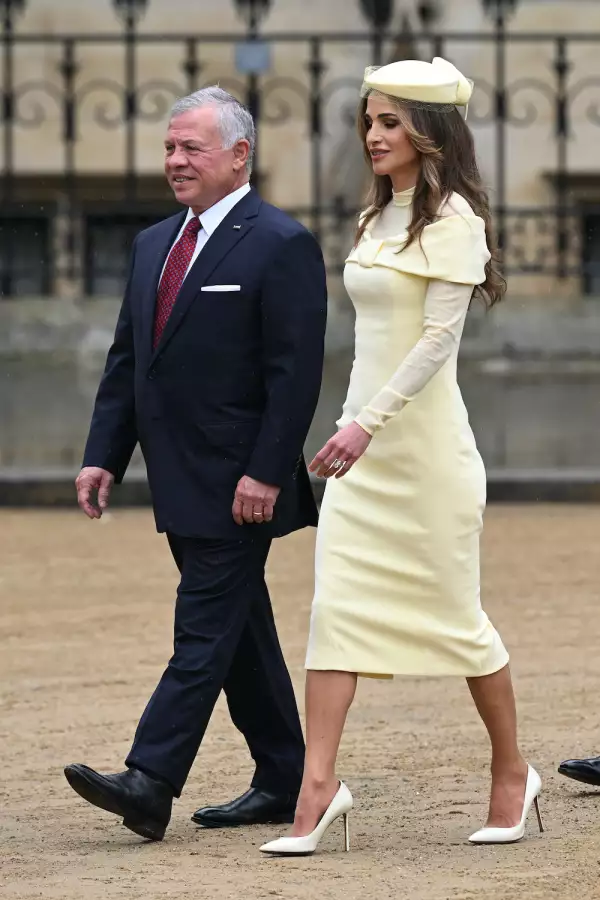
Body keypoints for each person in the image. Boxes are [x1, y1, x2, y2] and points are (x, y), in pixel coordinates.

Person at [260, 57, 543, 857]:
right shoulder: (371, 220)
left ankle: (512, 774)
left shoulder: (455, 219)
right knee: (334, 611)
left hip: (425, 458)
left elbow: (435, 342)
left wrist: (367, 424)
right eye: (370, 120)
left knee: (461, 622)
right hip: (363, 453)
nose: (373, 135)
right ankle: (318, 791)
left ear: (429, 131)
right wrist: (351, 421)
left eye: (390, 122)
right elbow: (367, 345)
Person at [64, 86, 327, 842]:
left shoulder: (280, 242)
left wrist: (268, 471)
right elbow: (130, 362)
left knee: (204, 628)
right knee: (240, 628)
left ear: (240, 155)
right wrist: (102, 456)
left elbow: (294, 372)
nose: (175, 161)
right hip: (177, 478)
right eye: (171, 148)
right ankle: (283, 774)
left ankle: (150, 779)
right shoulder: (152, 244)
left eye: (192, 148)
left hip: (244, 483)